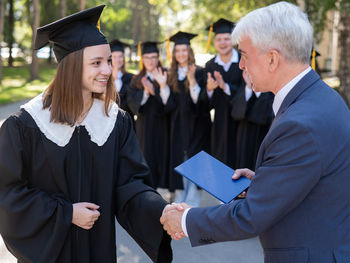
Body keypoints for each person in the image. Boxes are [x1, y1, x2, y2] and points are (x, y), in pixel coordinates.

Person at [160, 2, 350, 262]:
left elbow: (252, 215)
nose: (241, 66)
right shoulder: (322, 97)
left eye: (245, 55)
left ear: (272, 58)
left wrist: (185, 219)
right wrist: (266, 179)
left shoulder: (300, 124)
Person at [0, 6, 172, 263]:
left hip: (98, 250)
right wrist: (66, 213)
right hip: (50, 253)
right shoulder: (25, 125)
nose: (107, 70)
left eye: (108, 61)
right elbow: (8, 194)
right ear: (70, 66)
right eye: (96, 63)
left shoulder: (115, 120)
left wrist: (164, 211)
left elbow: (131, 184)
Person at [166, 31, 211, 206]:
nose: (181, 54)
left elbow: (200, 102)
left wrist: (192, 81)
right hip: (178, 125)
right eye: (178, 51)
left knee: (195, 161)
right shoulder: (170, 74)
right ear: (174, 53)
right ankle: (179, 201)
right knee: (179, 160)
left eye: (185, 50)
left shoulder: (200, 72)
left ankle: (192, 203)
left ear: (190, 52)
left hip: (197, 124)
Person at [127, 41, 173, 189]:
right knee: (146, 159)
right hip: (144, 128)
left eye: (154, 57)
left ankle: (164, 192)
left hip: (163, 126)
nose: (151, 61)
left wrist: (163, 86)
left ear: (158, 57)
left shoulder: (166, 75)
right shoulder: (136, 79)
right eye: (147, 57)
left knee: (163, 158)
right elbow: (134, 107)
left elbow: (171, 105)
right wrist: (146, 92)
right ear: (142, 59)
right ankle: (147, 191)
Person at [204, 18, 243, 169]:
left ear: (233, 40)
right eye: (219, 39)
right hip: (219, 122)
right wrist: (209, 89)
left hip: (241, 121)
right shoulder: (210, 65)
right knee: (221, 163)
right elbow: (206, 104)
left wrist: (225, 86)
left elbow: (246, 91)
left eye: (226, 39)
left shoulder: (243, 61)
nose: (222, 43)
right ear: (214, 42)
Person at [231, 71, 274, 170]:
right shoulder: (244, 83)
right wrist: (249, 87)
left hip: (261, 136)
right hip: (244, 136)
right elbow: (236, 113)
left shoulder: (271, 86)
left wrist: (257, 89)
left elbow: (264, 116)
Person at [109, 39, 134, 123]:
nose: (117, 60)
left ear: (123, 58)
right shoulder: (105, 77)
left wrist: (118, 80)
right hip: (109, 121)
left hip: (127, 121)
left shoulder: (131, 78)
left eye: (120, 56)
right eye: (114, 57)